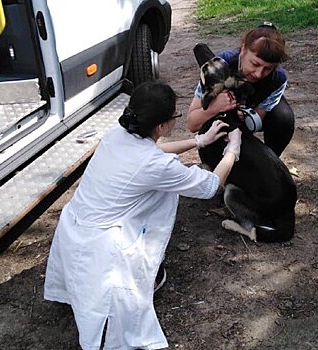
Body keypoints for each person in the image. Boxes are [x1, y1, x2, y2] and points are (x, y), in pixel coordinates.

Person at [44, 81, 242, 350]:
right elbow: (209, 187)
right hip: (103, 249)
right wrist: (233, 149)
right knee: (164, 193)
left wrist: (199, 141)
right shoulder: (156, 166)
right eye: (174, 117)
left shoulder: (117, 133)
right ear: (162, 126)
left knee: (154, 192)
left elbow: (151, 151)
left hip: (75, 230)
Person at [187, 22, 294, 157]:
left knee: (283, 118)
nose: (258, 74)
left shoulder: (278, 78)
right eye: (255, 64)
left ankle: (271, 162)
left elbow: (256, 120)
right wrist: (215, 107)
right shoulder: (218, 66)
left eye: (268, 69)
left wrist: (243, 120)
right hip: (219, 114)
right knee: (215, 132)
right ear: (243, 49)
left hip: (248, 110)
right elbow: (192, 124)